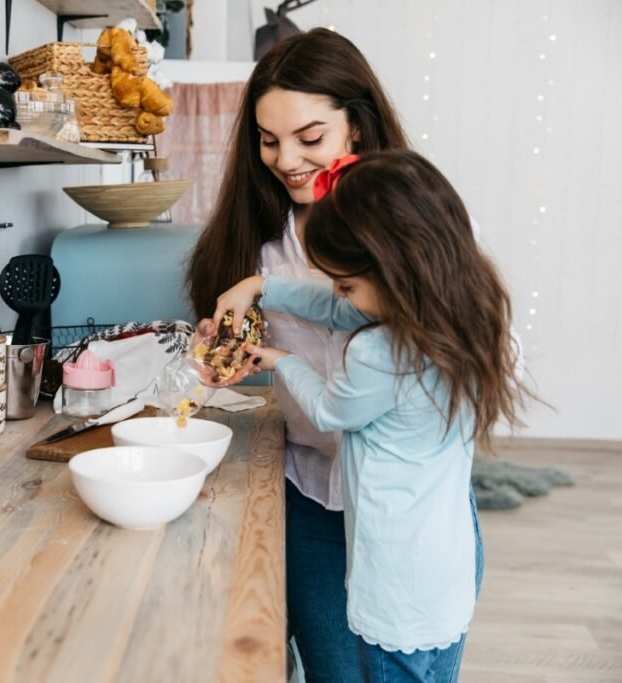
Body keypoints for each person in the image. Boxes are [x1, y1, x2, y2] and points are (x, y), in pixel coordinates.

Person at [212, 150, 527, 681]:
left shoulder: (378, 352)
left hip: (392, 585)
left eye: (346, 282)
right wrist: (260, 286)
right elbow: (343, 309)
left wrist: (282, 361)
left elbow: (329, 409)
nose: (338, 294)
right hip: (447, 570)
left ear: (397, 270)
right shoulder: (462, 320)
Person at [185, 27, 410, 681]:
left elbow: (484, 350)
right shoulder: (257, 246)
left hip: (408, 509)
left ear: (357, 128)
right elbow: (234, 354)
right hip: (312, 496)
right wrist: (218, 356)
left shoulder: (418, 228)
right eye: (268, 139)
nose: (286, 160)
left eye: (310, 138)